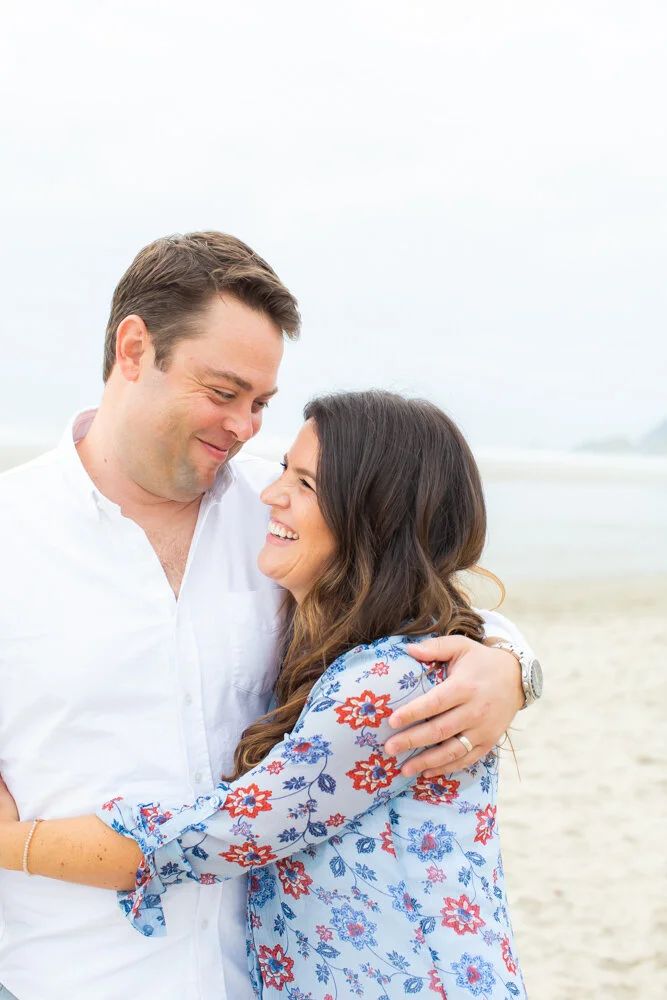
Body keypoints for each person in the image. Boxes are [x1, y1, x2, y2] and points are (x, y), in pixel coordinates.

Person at [0, 232, 537, 1000]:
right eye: (223, 393)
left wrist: (511, 666)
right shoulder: (8, 533)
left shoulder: (286, 515)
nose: (246, 428)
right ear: (133, 348)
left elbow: (419, 597)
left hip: (254, 980)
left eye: (260, 403)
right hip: (69, 978)